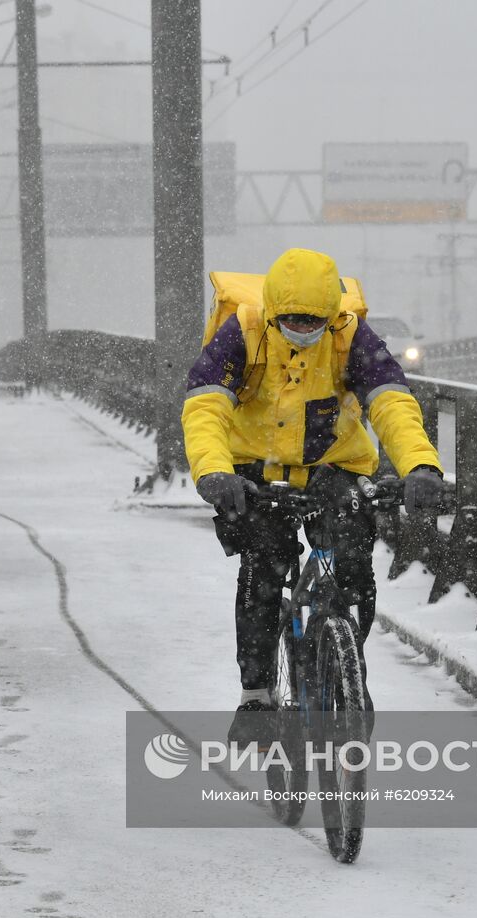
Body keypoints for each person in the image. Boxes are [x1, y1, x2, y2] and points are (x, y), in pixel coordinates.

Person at [180, 248, 445, 745]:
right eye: (293, 320)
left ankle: (348, 670)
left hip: (334, 468)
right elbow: (205, 407)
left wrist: (420, 466)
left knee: (354, 563)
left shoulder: (349, 337)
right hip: (256, 472)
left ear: (333, 313)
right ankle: (256, 696)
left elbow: (391, 402)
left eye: (314, 320)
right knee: (264, 566)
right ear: (274, 311)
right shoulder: (242, 333)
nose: (304, 327)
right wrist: (215, 472)